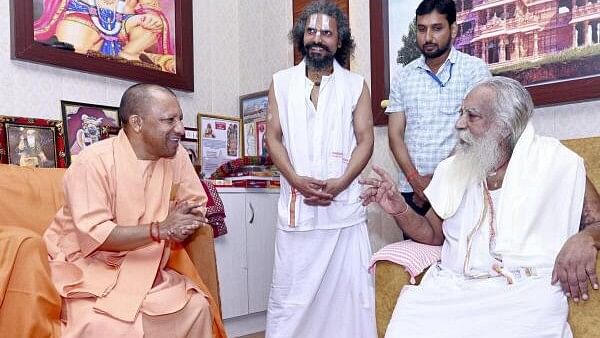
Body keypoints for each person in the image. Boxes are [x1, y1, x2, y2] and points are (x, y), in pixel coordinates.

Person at [361, 77, 600, 338]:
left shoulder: (557, 164)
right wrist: (399, 209)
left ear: (504, 126)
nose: (459, 124)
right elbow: (432, 234)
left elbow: (597, 221)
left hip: (524, 290)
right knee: (411, 321)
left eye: (471, 116)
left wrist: (585, 237)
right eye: (461, 113)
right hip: (454, 290)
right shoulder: (455, 167)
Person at [43, 84, 225, 338]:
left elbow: (196, 204)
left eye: (180, 119)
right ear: (137, 123)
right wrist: (160, 229)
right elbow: (97, 235)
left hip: (149, 265)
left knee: (197, 307)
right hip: (88, 267)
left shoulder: (177, 157)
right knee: (103, 326)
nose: (181, 129)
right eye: (169, 120)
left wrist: (188, 220)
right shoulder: (93, 162)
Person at [264, 2, 376, 337]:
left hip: (343, 213)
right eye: (311, 31)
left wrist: (342, 183)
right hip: (297, 212)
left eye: (326, 33)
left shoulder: (356, 84)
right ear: (301, 36)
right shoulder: (281, 82)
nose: (318, 38)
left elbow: (366, 139)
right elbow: (272, 137)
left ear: (339, 41)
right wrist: (296, 180)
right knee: (290, 302)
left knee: (350, 300)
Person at [386, 0, 491, 216]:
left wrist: (438, 181)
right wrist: (415, 179)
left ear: (453, 30)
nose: (428, 38)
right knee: (415, 250)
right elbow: (395, 134)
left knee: (463, 249)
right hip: (413, 191)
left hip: (460, 186)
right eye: (422, 29)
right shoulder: (403, 77)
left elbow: (476, 131)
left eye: (437, 28)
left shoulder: (474, 71)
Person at [34, 0, 174, 70]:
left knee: (150, 28)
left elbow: (151, 9)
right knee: (75, 32)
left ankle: (128, 55)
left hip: (124, 20)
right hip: (83, 12)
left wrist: (151, 17)